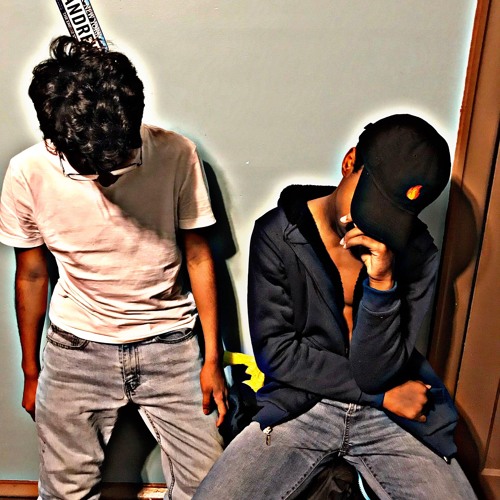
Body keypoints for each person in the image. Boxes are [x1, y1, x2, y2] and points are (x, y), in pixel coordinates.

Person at [194, 114, 476, 499]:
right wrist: (379, 395)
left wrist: (382, 284)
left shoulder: (418, 253)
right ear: (349, 162)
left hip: (394, 409)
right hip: (303, 402)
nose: (374, 225)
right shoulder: (278, 235)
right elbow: (277, 354)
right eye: (371, 204)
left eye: (393, 216)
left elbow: (377, 372)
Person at [0, 36, 227, 500]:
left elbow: (200, 256)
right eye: (89, 170)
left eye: (118, 165)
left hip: (170, 342)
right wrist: (32, 372)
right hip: (75, 348)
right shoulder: (27, 173)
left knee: (214, 487)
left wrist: (211, 361)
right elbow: (32, 275)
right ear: (56, 141)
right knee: (64, 491)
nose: (104, 180)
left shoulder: (176, 153)